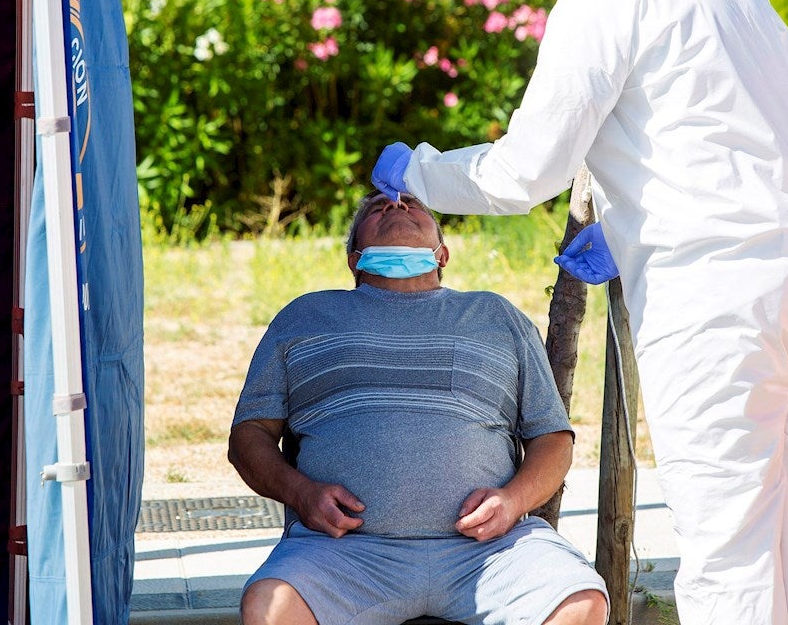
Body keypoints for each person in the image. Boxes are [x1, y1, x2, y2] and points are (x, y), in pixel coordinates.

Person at [368, 0, 788, 623]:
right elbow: (716, 126)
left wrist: (417, 169)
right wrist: (629, 229)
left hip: (720, 284)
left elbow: (527, 169)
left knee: (726, 537)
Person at [228, 190, 609, 625]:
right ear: (354, 260)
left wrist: (511, 501)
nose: (395, 205)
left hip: (489, 553)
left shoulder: (495, 315)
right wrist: (299, 493)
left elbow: (553, 439)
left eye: (413, 206)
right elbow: (247, 437)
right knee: (268, 605)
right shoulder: (306, 317)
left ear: (442, 254)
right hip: (342, 555)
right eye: (378, 208)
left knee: (580, 602)